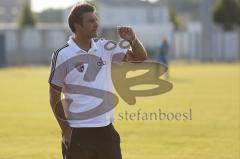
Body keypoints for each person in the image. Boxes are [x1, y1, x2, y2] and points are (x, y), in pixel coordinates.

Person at [48, 2, 147, 159]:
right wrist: (67, 131)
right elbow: (54, 97)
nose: (96, 24)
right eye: (91, 21)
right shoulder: (62, 55)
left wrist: (133, 39)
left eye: (96, 20)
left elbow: (140, 58)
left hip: (106, 131)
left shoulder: (105, 47)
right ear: (77, 25)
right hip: (78, 132)